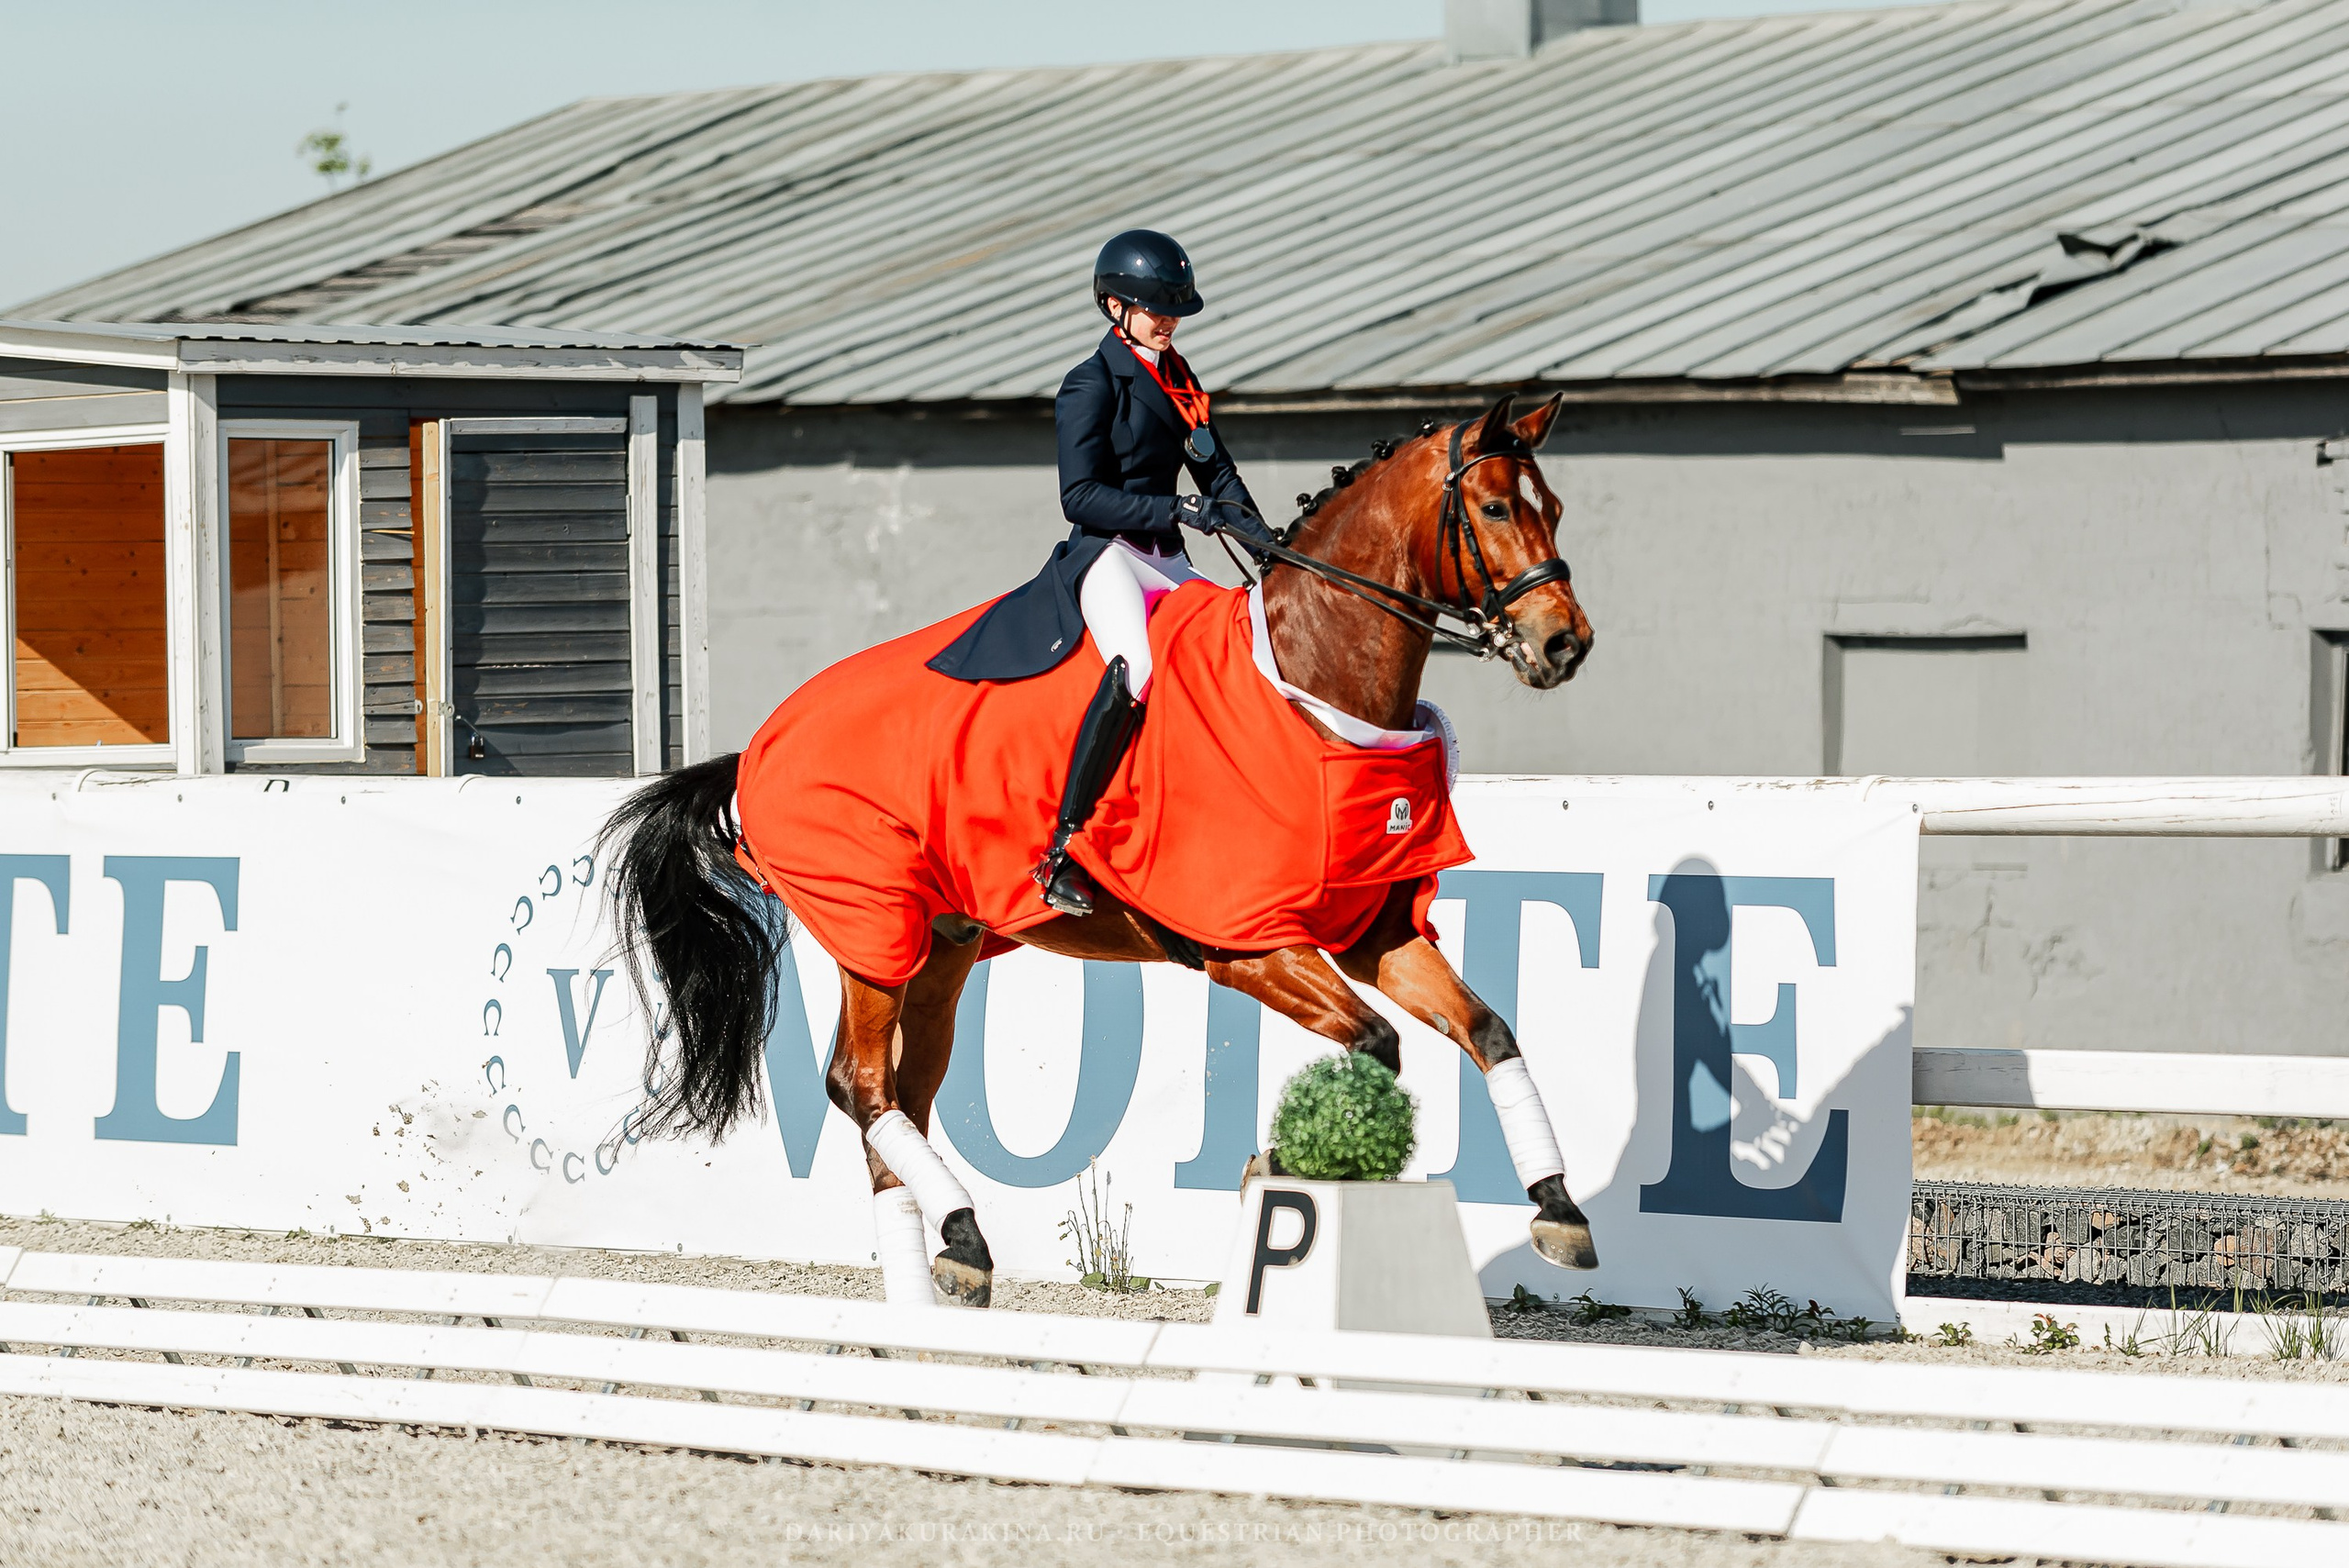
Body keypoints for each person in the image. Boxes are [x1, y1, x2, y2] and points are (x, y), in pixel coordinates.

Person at [927, 228, 1273, 916]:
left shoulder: (1180, 379)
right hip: (1109, 555)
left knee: (1247, 645)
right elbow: (1077, 496)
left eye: (1174, 308)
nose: (1167, 319)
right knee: (1138, 667)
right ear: (1114, 305)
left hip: (1167, 555)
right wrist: (1177, 504)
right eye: (1153, 308)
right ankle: (1066, 845)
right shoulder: (1090, 383)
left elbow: (1218, 471)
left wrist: (1272, 550)